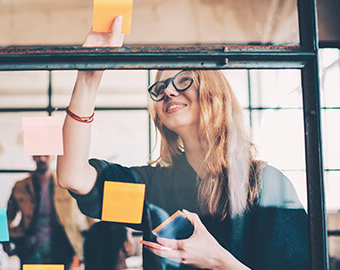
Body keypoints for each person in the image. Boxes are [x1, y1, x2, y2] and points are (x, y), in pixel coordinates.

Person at [57, 16, 309, 270]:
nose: (168, 91)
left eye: (184, 79)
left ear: (213, 94)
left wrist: (219, 261)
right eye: (161, 86)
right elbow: (74, 177)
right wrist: (88, 78)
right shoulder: (153, 191)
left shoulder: (266, 186)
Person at [5, 155, 93, 269]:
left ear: (52, 156)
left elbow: (88, 213)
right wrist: (9, 238)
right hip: (30, 249)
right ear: (33, 157)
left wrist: (92, 244)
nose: (41, 159)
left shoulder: (67, 185)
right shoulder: (20, 186)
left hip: (62, 247)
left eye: (45, 155)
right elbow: (8, 217)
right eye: (38, 155)